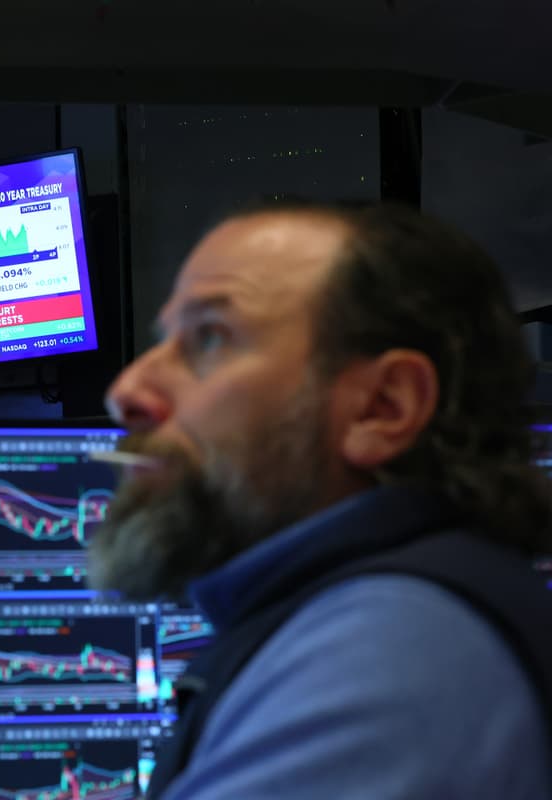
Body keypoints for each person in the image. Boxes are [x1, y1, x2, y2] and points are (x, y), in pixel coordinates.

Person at [88, 200, 552, 798]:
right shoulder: (381, 611)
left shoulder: (390, 649)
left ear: (384, 407)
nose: (126, 391)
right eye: (164, 339)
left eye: (208, 338)